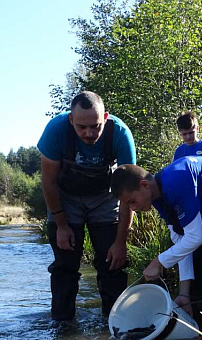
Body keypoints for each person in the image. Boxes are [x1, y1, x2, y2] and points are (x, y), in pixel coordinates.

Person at [110, 158, 202, 320]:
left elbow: (195, 238)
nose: (133, 208)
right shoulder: (159, 199)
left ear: (144, 185)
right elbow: (182, 242)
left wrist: (158, 261)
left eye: (132, 201)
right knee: (200, 268)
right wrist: (184, 293)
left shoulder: (175, 182)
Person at [37, 91, 136, 321]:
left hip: (105, 198)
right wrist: (61, 224)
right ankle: (63, 329)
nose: (89, 133)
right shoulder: (55, 130)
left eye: (96, 126)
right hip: (66, 199)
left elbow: (128, 194)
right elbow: (49, 183)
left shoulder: (120, 134)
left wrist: (120, 242)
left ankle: (115, 324)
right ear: (71, 120)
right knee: (65, 267)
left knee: (112, 265)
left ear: (106, 117)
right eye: (82, 127)